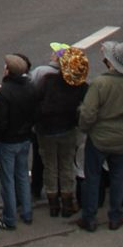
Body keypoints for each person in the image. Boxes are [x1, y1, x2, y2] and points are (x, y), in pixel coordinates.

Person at [75, 40, 123, 232]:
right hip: (122, 137)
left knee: (92, 178)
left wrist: (86, 128)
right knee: (117, 177)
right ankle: (115, 215)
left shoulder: (100, 84)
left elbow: (88, 113)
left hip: (98, 137)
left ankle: (89, 217)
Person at [33, 46, 89, 218]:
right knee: (66, 166)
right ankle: (67, 202)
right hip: (68, 129)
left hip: (46, 130)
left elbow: (35, 100)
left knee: (50, 167)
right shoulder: (81, 87)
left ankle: (53, 205)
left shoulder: (48, 80)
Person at [0, 55, 36, 231]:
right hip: (24, 137)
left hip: (8, 140)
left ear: (9, 71)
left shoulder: (4, 92)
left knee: (8, 180)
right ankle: (27, 212)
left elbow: (1, 121)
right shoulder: (30, 88)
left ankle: (9, 218)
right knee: (23, 175)